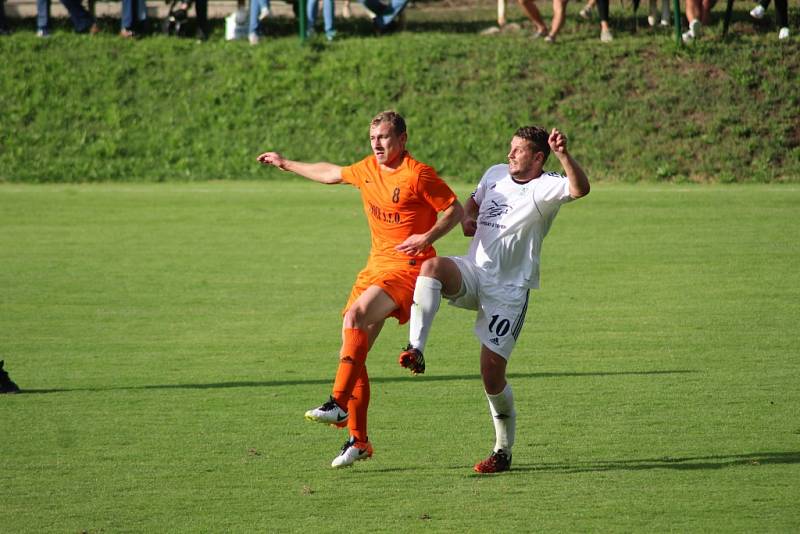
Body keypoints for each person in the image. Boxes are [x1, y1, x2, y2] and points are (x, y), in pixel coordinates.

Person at [256, 111, 463, 468]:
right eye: (373, 138)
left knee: (355, 316)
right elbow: (330, 173)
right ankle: (358, 440)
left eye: (384, 137)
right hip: (373, 268)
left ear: (402, 138)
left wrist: (427, 237)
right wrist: (285, 163)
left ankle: (336, 403)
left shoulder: (418, 174)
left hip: (407, 269)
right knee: (352, 351)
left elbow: (455, 210)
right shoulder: (367, 169)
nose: (378, 144)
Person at [399, 126, 590, 474]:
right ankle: (415, 348)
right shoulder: (494, 174)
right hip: (475, 272)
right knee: (432, 267)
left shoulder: (545, 186)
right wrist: (469, 218)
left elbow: (580, 189)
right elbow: (469, 205)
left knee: (491, 374)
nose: (510, 154)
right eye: (510, 148)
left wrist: (563, 154)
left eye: (519, 150)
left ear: (537, 158)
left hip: (508, 292)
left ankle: (503, 450)